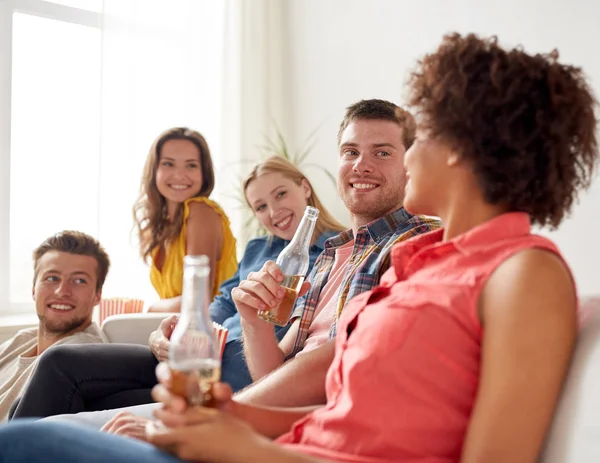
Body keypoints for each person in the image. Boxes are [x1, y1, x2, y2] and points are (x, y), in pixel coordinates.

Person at [0, 31, 596, 463]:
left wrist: (246, 446)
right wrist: (225, 416)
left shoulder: (524, 273)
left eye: (418, 136)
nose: (398, 158)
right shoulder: (424, 265)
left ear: (464, 145)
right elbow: (338, 409)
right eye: (354, 151)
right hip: (266, 446)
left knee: (22, 444)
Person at [10, 99, 439, 435]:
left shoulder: (415, 244)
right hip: (255, 402)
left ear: (410, 162)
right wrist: (251, 319)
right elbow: (276, 371)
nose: (361, 165)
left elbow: (341, 356)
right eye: (350, 151)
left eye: (381, 152)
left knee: (42, 433)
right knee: (53, 421)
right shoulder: (329, 256)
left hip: (275, 417)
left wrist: (221, 414)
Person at [9, 156, 346, 420]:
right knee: (60, 360)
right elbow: (220, 305)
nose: (273, 212)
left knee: (88, 399)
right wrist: (168, 332)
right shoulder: (258, 249)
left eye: (281, 194)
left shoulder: (338, 253)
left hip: (228, 376)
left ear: (304, 188)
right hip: (186, 359)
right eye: (260, 206)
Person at [0, 230, 110, 422]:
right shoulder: (23, 339)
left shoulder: (79, 354)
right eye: (52, 278)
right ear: (34, 289)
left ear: (97, 296)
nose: (62, 291)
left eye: (79, 281)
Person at [133, 127, 238, 312]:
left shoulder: (201, 211)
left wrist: (148, 309)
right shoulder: (162, 225)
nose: (180, 175)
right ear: (154, 169)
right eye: (168, 164)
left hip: (212, 333)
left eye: (191, 165)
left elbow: (197, 300)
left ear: (203, 173)